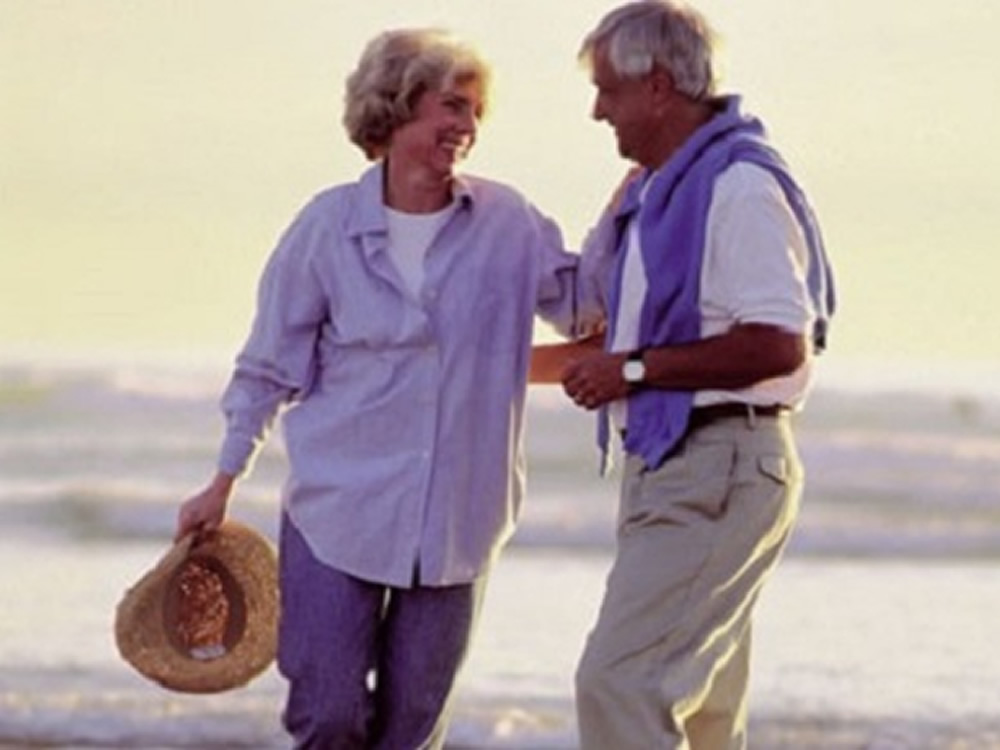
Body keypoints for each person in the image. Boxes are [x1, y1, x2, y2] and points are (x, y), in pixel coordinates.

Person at [175, 28, 598, 750]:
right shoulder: (325, 228)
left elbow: (586, 303)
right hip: (338, 512)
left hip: (459, 521)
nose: (466, 128)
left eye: (474, 112)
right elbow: (268, 367)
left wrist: (634, 206)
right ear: (396, 110)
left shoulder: (508, 224)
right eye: (451, 107)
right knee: (328, 714)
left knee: (411, 731)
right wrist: (222, 479)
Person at [531, 2, 835, 748]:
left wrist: (633, 370)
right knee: (702, 717)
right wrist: (467, 367)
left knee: (619, 682)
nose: (598, 110)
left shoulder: (737, 189)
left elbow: (776, 343)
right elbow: (604, 345)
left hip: (720, 464)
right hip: (679, 464)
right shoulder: (657, 196)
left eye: (608, 89)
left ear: (659, 85)